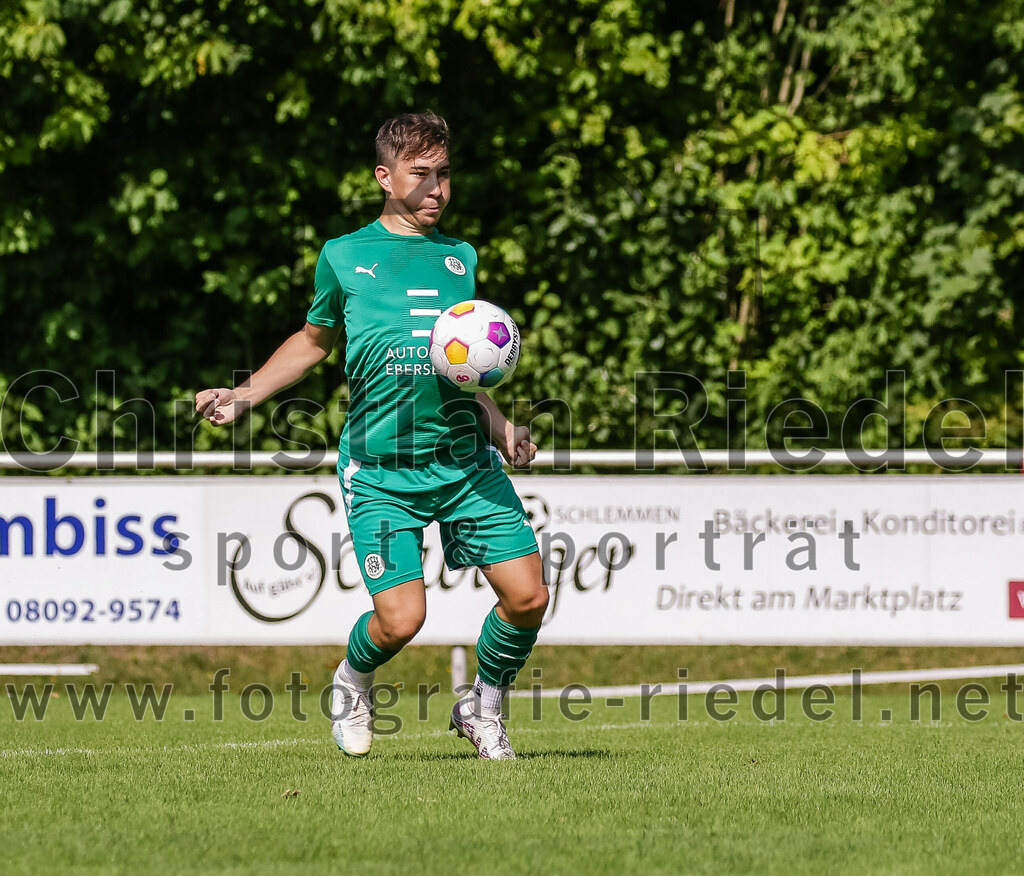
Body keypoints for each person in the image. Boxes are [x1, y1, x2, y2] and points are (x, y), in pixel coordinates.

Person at [195, 112, 548, 760]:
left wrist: (501, 425)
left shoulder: (459, 258)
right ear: (385, 178)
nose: (437, 189)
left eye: (444, 175)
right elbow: (312, 341)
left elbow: (460, 363)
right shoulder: (344, 255)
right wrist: (243, 395)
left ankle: (484, 705)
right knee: (401, 620)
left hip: (464, 463)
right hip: (382, 470)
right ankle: (351, 681)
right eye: (422, 175)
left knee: (529, 597)